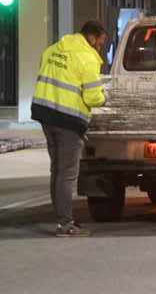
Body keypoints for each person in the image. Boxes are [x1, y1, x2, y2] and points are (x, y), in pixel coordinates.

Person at [31, 21, 108, 237]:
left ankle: (61, 219)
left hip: (45, 114)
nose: (100, 48)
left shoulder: (53, 49)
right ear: (92, 38)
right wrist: (104, 97)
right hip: (68, 120)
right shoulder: (88, 58)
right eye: (100, 43)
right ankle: (65, 224)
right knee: (67, 174)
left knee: (56, 170)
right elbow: (92, 97)